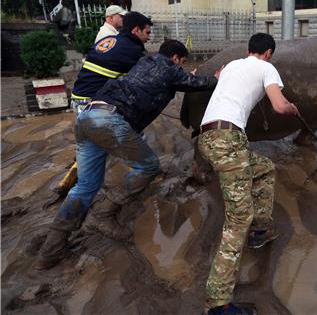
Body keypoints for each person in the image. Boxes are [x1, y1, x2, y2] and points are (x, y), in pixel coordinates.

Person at [34, 40, 217, 270]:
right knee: (149, 165)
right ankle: (104, 213)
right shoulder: (168, 68)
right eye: (180, 63)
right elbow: (198, 82)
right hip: (108, 121)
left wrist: (180, 77)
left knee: (85, 187)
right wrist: (216, 78)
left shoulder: (144, 62)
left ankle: (50, 251)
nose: (179, 67)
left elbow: (173, 81)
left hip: (87, 118)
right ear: (176, 58)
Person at [198, 33, 299, 315]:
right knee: (236, 221)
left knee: (265, 168)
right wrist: (292, 108)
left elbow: (219, 77)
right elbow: (279, 106)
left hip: (207, 140)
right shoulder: (267, 67)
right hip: (227, 140)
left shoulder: (232, 65)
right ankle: (217, 304)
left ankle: (262, 228)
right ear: (268, 53)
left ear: (247, 50)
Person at [52, 12, 153, 198]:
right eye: (147, 32)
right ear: (136, 30)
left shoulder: (108, 41)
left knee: (91, 142)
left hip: (78, 99)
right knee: (135, 137)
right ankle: (142, 176)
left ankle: (76, 179)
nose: (149, 37)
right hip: (95, 104)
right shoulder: (132, 50)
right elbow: (151, 76)